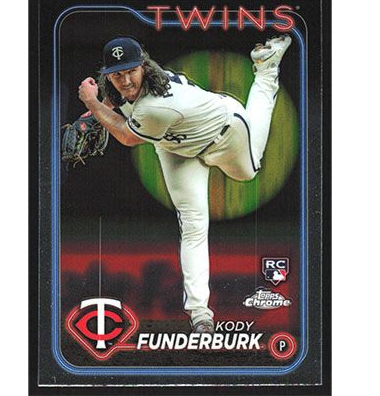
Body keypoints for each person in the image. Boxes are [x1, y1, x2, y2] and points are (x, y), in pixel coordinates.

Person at [77, 34, 292, 333]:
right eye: (117, 74)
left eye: (131, 71)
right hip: (176, 147)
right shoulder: (124, 88)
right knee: (193, 225)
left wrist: (91, 103)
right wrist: (97, 110)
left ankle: (266, 72)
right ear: (108, 75)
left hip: (224, 133)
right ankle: (200, 314)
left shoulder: (156, 106)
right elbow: (115, 105)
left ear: (144, 66)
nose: (125, 80)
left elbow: (126, 136)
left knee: (248, 172)